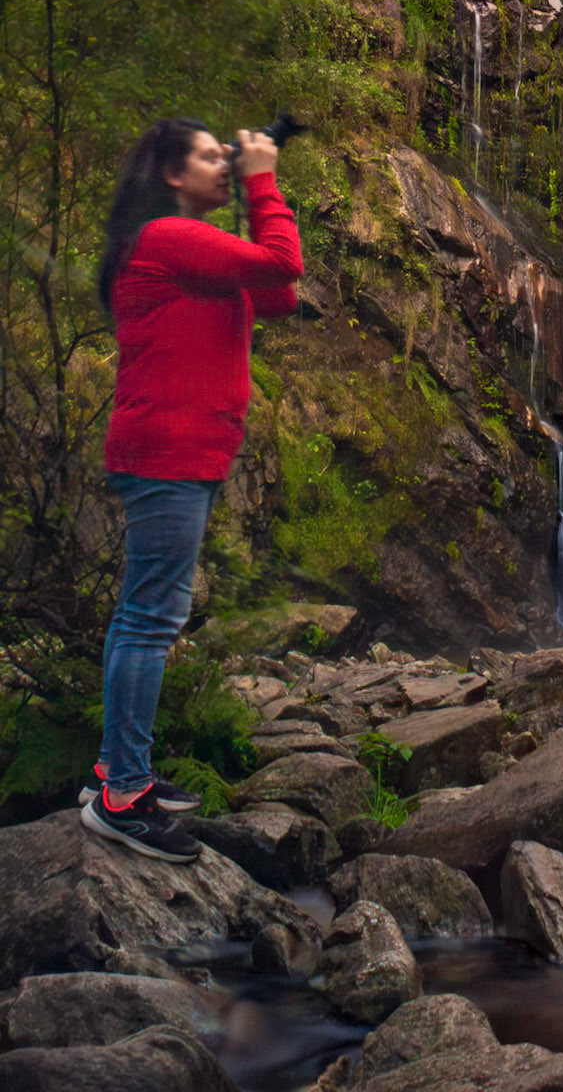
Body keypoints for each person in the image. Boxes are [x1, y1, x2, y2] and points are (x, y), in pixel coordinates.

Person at [81, 118, 302, 862]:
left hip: (182, 451)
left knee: (146, 613)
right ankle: (122, 797)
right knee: (150, 618)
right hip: (168, 452)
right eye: (212, 157)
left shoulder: (181, 249)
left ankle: (117, 773)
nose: (224, 164)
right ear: (173, 173)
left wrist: (245, 199)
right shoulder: (166, 237)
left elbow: (278, 293)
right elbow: (280, 260)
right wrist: (262, 181)